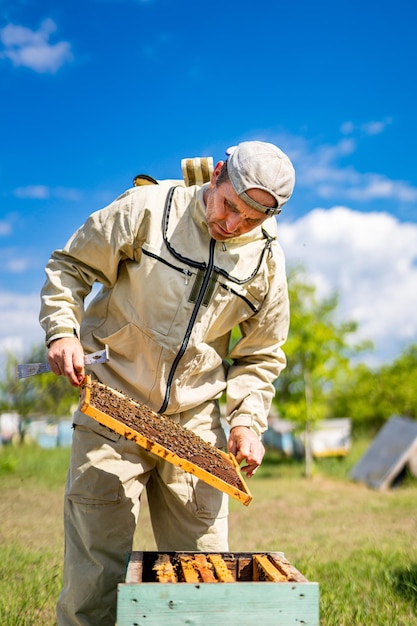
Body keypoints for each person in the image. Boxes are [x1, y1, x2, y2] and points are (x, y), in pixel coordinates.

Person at [39, 140, 295, 625]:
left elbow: (260, 354)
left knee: (203, 575)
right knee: (95, 578)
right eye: (230, 207)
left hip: (194, 425)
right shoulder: (148, 210)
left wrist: (247, 424)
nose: (234, 225)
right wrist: (62, 332)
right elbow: (69, 265)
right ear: (217, 175)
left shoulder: (266, 261)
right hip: (113, 405)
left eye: (252, 220)